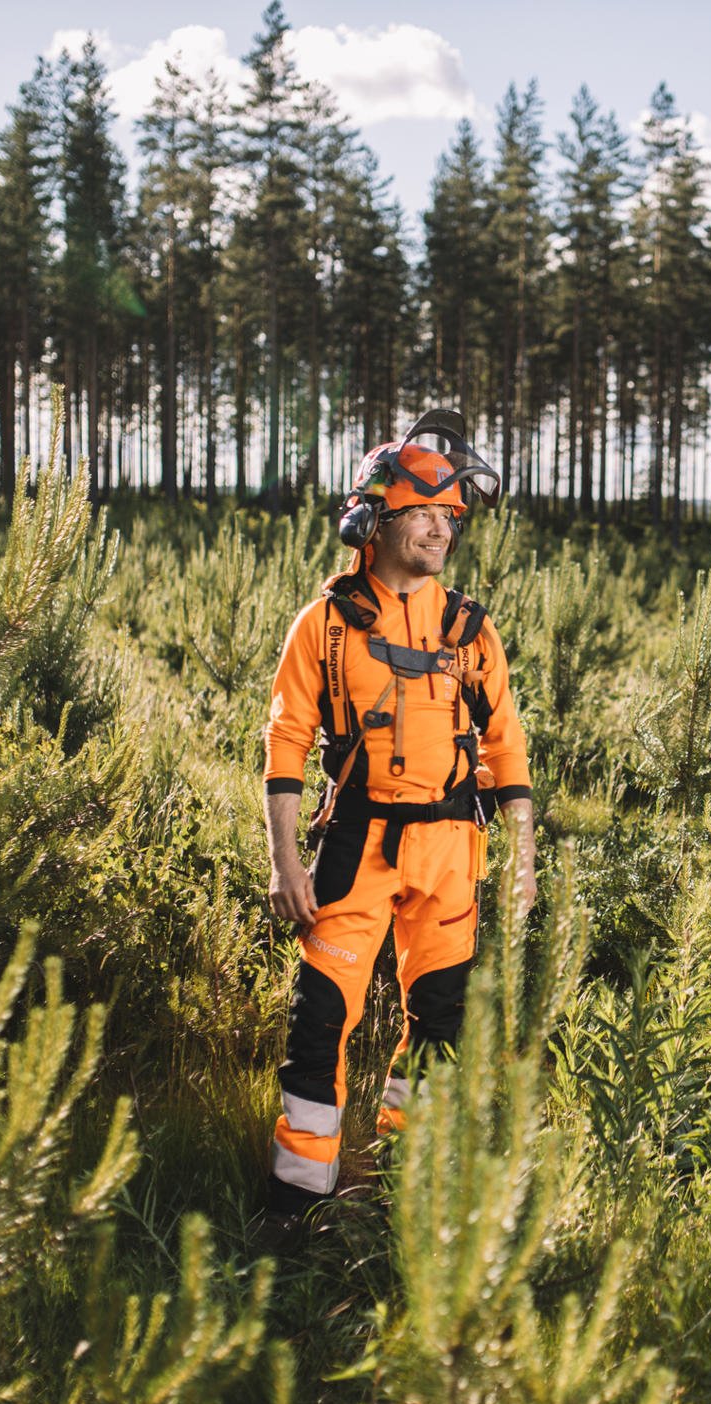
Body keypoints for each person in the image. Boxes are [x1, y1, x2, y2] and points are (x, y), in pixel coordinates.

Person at [260, 413, 537, 1218]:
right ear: (372, 522)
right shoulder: (324, 627)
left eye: (448, 517)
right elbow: (284, 746)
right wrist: (286, 864)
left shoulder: (471, 632)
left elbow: (506, 754)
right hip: (356, 848)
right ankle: (296, 1201)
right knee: (318, 1025)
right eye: (420, 513)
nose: (438, 529)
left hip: (453, 854)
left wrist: (519, 865)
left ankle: (400, 1187)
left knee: (440, 1028)